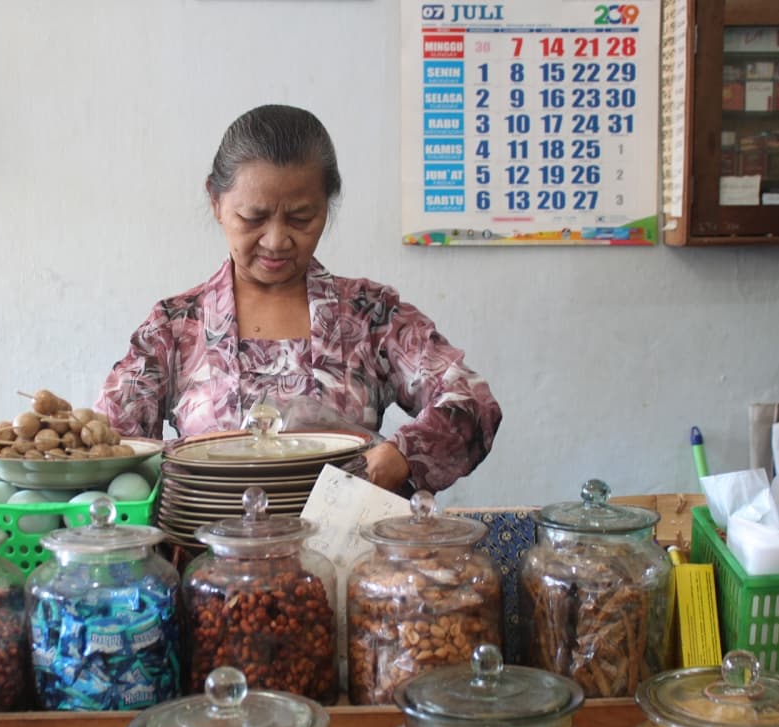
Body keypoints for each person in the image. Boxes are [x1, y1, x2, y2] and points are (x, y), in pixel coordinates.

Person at [96, 105, 501, 494]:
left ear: (327, 206)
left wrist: (402, 455)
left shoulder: (370, 315)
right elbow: (111, 447)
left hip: (347, 557)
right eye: (253, 218)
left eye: (301, 218)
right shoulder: (175, 326)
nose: (276, 241)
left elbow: (471, 399)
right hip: (212, 560)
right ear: (216, 202)